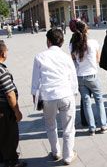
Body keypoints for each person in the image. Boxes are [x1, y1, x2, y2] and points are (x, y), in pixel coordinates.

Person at [31, 28, 78, 165]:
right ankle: (68, 156)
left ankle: (55, 152)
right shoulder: (66, 57)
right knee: (69, 127)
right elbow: (73, 78)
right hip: (66, 94)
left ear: (48, 41)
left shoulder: (39, 56)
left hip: (48, 96)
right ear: (61, 41)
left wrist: (35, 96)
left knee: (51, 125)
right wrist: (74, 94)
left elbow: (35, 80)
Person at [70, 21, 107, 135]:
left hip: (80, 77)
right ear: (86, 30)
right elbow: (98, 60)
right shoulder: (93, 43)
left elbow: (73, 60)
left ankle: (92, 128)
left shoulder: (72, 45)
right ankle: (103, 125)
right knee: (99, 100)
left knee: (86, 102)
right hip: (92, 75)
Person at [0, 41, 26, 167]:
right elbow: (10, 94)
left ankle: (3, 158)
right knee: (9, 135)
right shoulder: (2, 71)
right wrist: (17, 111)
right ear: (3, 53)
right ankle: (11, 162)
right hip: (4, 110)